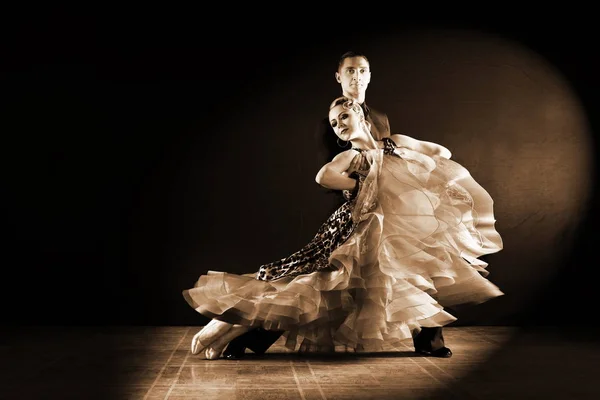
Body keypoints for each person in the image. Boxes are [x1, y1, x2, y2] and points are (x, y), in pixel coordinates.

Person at [182, 96, 504, 359]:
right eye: (335, 124)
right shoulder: (353, 156)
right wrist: (362, 180)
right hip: (349, 231)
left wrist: (405, 159)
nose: (340, 126)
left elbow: (441, 153)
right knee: (309, 285)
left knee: (375, 284)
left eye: (344, 118)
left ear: (361, 114)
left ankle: (233, 332)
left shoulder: (392, 144)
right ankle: (230, 324)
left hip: (385, 230)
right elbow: (323, 176)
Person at [219, 51, 392, 359]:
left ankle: (429, 339)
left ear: (369, 74)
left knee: (404, 267)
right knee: (320, 281)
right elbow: (326, 173)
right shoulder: (331, 120)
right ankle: (251, 334)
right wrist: (360, 189)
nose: (356, 76)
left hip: (383, 211)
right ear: (339, 76)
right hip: (348, 211)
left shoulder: (380, 119)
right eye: (350, 70)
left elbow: (391, 160)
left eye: (362, 70)